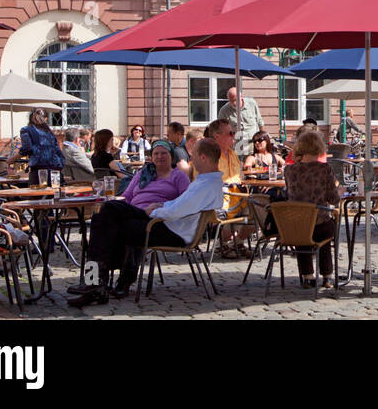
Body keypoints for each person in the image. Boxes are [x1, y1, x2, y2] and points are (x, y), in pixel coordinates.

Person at [69, 138, 222, 307]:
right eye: (156, 153)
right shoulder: (205, 182)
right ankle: (97, 284)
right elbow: (178, 206)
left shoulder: (203, 184)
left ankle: (95, 283)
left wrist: (151, 211)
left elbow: (177, 211)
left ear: (203, 158)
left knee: (104, 218)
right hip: (162, 222)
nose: (190, 158)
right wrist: (160, 206)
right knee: (103, 218)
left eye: (193, 155)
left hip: (168, 230)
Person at [280, 129, 340, 287]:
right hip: (320, 224)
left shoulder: (289, 171)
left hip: (296, 224)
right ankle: (327, 276)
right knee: (325, 234)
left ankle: (308, 276)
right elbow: (333, 198)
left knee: (302, 233)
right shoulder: (324, 169)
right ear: (320, 147)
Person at [205, 118, 249, 257]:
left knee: (262, 209)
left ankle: (238, 241)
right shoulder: (208, 156)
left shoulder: (233, 154)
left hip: (239, 199)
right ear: (217, 136)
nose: (233, 136)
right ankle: (220, 244)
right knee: (229, 211)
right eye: (230, 133)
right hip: (220, 201)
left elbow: (240, 177)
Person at [12, 109, 63, 186]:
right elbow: (58, 151)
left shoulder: (26, 130)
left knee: (38, 195)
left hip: (39, 170)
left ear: (30, 118)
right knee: (54, 194)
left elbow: (26, 149)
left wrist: (12, 159)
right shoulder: (49, 132)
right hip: (55, 170)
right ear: (46, 119)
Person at [217, 87, 264, 157]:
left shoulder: (252, 103)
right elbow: (220, 129)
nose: (233, 103)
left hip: (253, 146)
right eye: (230, 101)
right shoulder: (224, 110)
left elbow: (260, 122)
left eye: (235, 100)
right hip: (236, 147)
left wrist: (262, 140)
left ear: (241, 97)